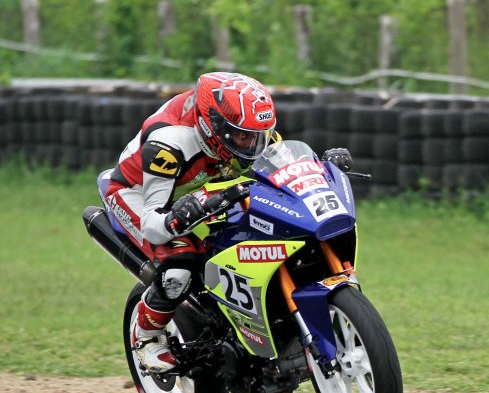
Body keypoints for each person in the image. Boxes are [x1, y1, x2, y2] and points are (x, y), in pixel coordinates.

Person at [104, 71, 352, 373]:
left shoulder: (252, 132)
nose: (253, 144)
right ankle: (146, 338)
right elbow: (153, 226)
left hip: (208, 184)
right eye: (243, 136)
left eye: (259, 135)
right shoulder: (168, 146)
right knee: (180, 265)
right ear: (214, 126)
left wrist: (321, 169)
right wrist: (178, 217)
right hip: (140, 195)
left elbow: (282, 168)